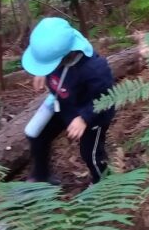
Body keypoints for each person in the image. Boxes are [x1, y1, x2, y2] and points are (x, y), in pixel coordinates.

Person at [22, 17, 115, 185]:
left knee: (90, 153)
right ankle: (41, 176)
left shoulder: (94, 68)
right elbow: (51, 61)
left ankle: (103, 185)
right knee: (38, 136)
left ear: (66, 55)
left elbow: (106, 98)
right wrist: (42, 70)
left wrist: (84, 118)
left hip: (91, 114)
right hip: (63, 105)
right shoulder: (57, 55)